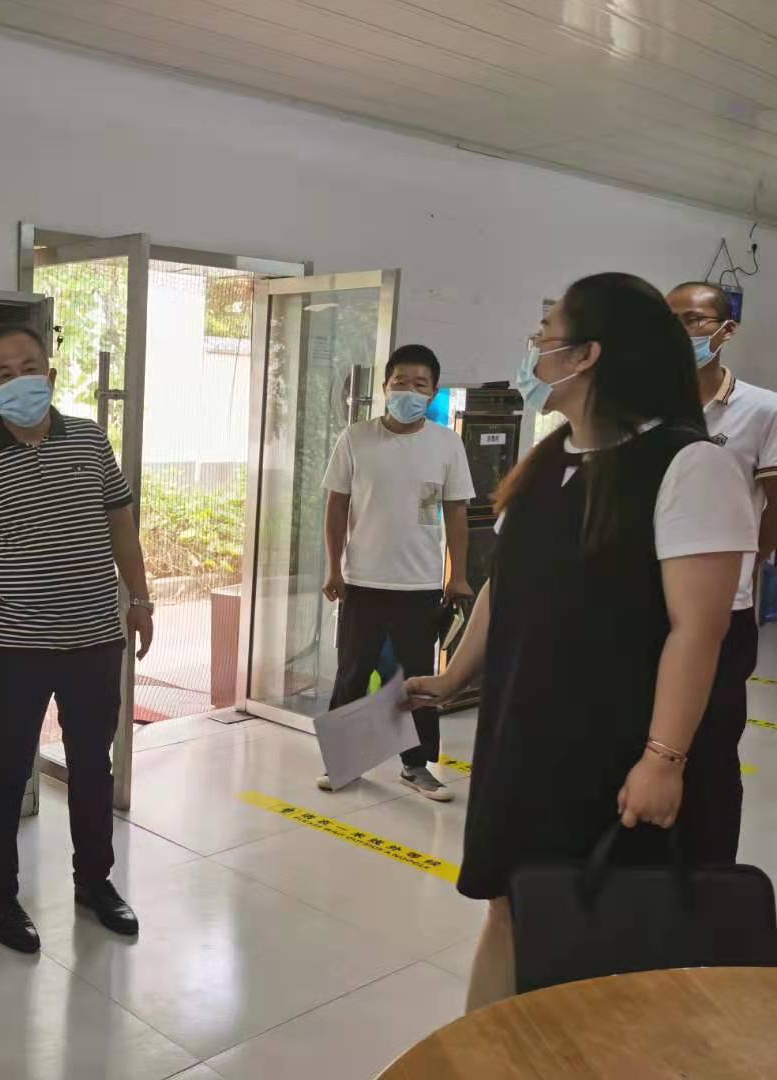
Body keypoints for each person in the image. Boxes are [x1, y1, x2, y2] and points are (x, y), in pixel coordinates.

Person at [407, 273, 755, 1012]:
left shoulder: (689, 466)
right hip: (523, 738)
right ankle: (486, 1058)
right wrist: (452, 676)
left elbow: (699, 630)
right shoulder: (549, 459)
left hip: (614, 754)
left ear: (589, 355)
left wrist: (663, 759)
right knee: (510, 906)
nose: (535, 347)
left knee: (602, 936)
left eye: (547, 334)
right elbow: (505, 587)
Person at [0, 324, 154, 954]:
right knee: (6, 770)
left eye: (29, 367)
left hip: (94, 639)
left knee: (92, 766)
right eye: (4, 374)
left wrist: (140, 599)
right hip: (16, 646)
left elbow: (121, 525)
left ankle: (95, 883)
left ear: (52, 375)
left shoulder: (90, 440)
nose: (20, 381)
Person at [319, 344, 475, 801]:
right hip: (361, 581)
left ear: (433, 392)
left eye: (420, 384)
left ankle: (416, 766)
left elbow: (457, 511)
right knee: (352, 673)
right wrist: (333, 568)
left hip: (420, 583)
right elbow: (336, 506)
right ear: (385, 386)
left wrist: (458, 575)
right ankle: (343, 763)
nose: (409, 391)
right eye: (400, 382)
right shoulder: (355, 438)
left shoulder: (446, 444)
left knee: (416, 678)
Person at [666, 281, 777, 863]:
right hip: (647, 605)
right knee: (647, 748)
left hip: (722, 614)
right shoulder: (646, 406)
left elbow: (775, 507)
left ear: (726, 330)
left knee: (709, 756)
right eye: (669, 320)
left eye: (692, 320)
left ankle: (709, 884)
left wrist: (742, 565)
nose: (679, 332)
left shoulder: (762, 409)